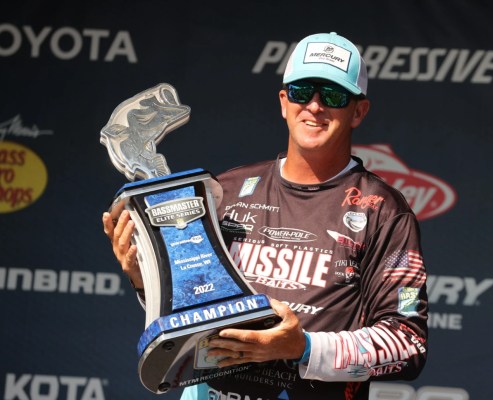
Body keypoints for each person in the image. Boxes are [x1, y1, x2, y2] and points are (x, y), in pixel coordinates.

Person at [102, 32, 428, 400]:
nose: (315, 106)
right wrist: (148, 281)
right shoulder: (226, 189)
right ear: (284, 101)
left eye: (334, 95)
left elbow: (408, 343)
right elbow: (193, 310)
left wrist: (303, 347)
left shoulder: (383, 211)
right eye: (303, 92)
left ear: (359, 111)